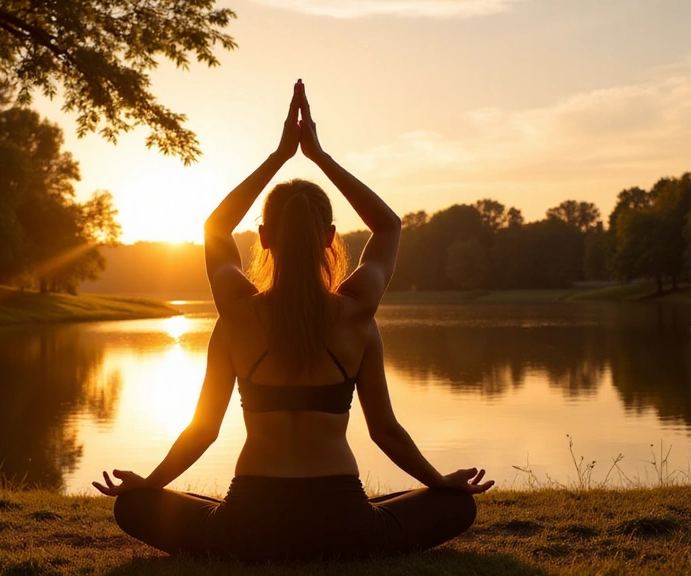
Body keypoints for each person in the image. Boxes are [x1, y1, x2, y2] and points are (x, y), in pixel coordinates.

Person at [93, 80, 494, 561]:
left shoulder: (237, 315)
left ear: (263, 237)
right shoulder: (356, 314)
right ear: (329, 238)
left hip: (247, 526)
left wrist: (281, 154)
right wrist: (318, 155)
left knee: (136, 508)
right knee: (454, 507)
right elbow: (384, 429)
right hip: (344, 526)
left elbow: (203, 429)